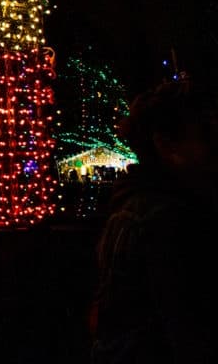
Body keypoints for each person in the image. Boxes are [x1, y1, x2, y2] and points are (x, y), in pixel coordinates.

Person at [91, 77, 218, 363]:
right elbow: (190, 329)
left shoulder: (134, 207)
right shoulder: (169, 219)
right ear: (165, 145)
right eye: (205, 134)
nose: (214, 144)